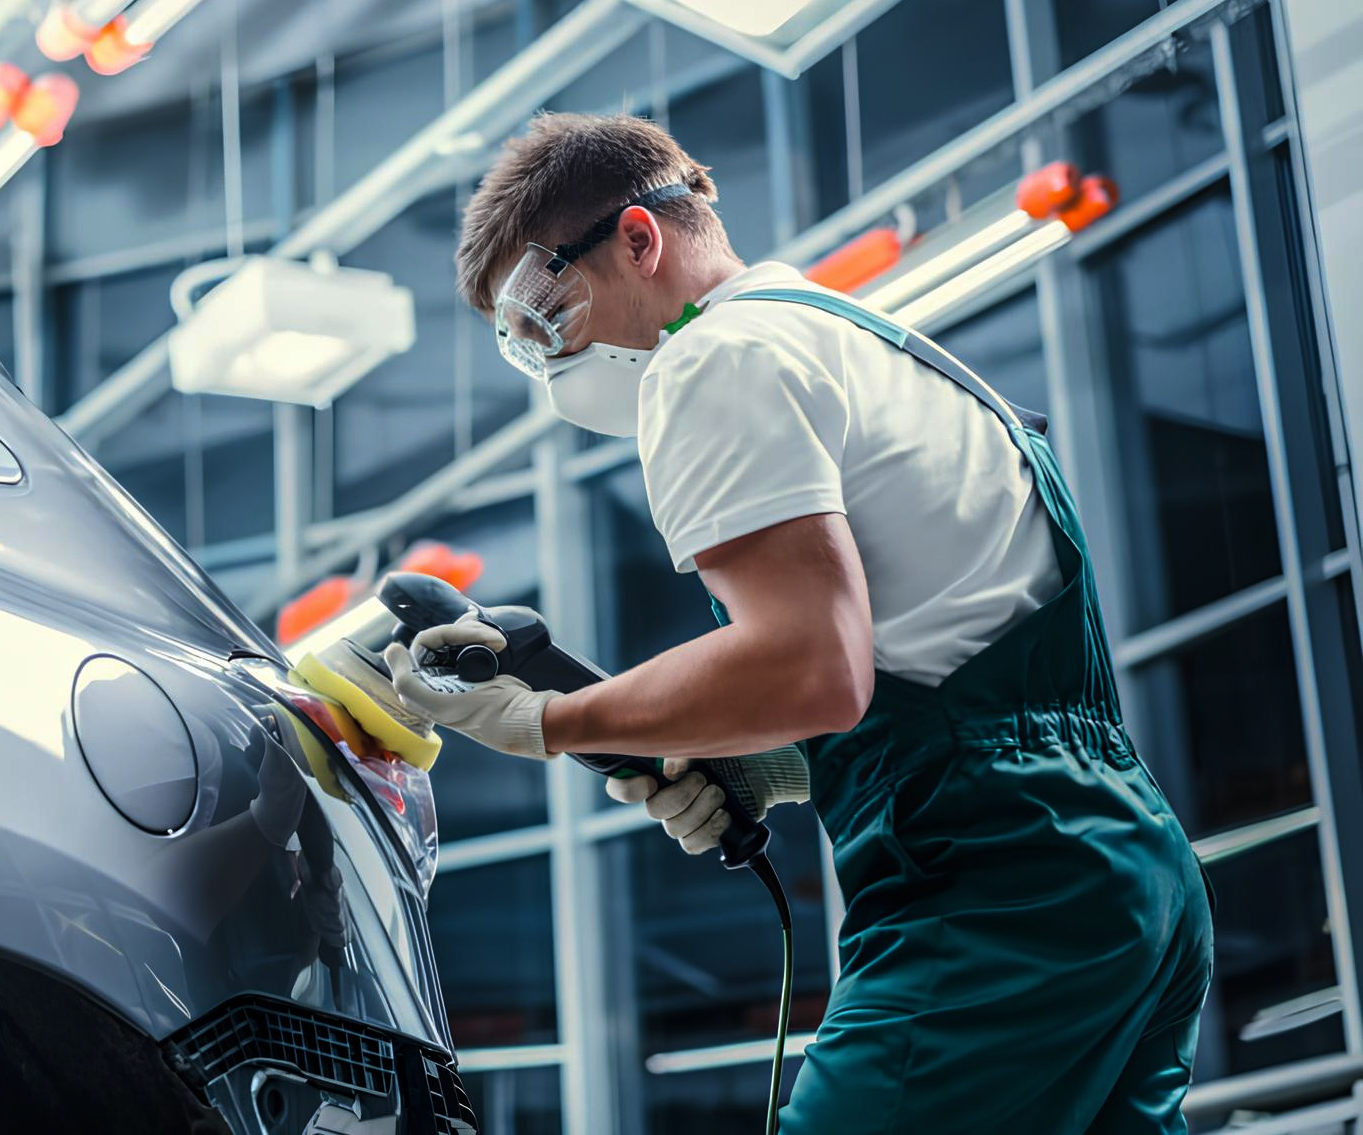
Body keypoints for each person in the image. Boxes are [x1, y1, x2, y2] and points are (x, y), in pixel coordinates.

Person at [381, 112, 1213, 1134]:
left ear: (637, 240)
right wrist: (773, 765)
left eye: (545, 312)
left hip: (991, 893)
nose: (550, 358)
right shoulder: (850, 338)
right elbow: (936, 659)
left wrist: (554, 722)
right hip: (1120, 866)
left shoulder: (710, 359)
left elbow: (810, 665)